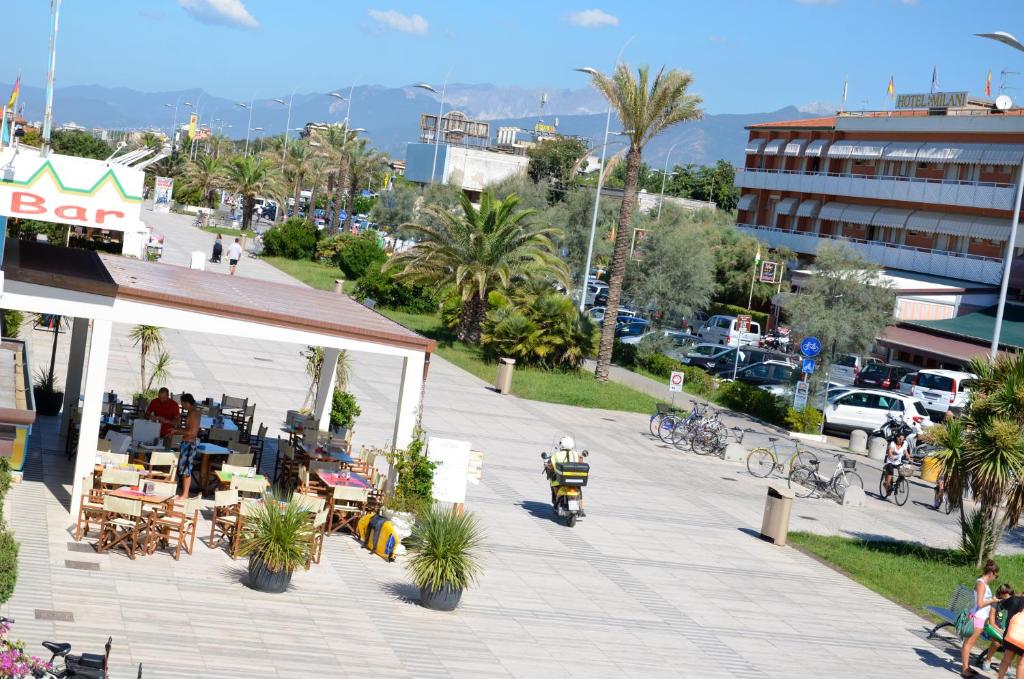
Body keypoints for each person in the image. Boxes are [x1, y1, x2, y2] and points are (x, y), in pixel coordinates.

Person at [962, 560, 1003, 677]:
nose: (995, 578)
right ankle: (964, 669)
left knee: (970, 643)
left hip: (981, 618)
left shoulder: (984, 584)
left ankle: (966, 667)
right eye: (996, 575)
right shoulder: (980, 583)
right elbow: (980, 603)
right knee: (969, 643)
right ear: (991, 572)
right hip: (977, 617)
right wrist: (993, 600)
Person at [172, 393, 201, 501]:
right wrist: (177, 432)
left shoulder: (193, 413)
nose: (182, 407)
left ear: (187, 403)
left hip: (189, 444)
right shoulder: (192, 412)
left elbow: (192, 432)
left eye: (183, 404)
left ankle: (185, 494)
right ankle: (184, 493)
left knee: (186, 469)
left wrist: (177, 431)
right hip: (187, 443)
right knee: (184, 469)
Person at [547, 435, 583, 506]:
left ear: (561, 444)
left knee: (552, 482)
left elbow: (551, 466)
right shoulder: (576, 455)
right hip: (574, 479)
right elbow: (581, 464)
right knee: (578, 488)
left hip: (560, 480)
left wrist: (547, 466)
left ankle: (556, 500)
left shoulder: (556, 455)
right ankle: (581, 505)